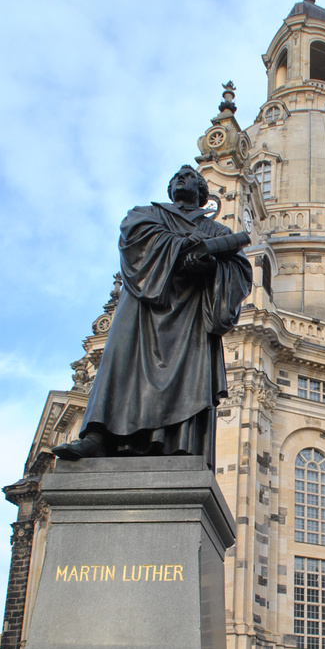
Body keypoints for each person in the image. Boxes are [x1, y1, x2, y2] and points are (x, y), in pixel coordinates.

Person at [53, 165, 252, 468]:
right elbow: (135, 240)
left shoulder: (219, 232)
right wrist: (184, 247)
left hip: (190, 316)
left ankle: (177, 446)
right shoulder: (148, 213)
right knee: (119, 362)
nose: (182, 179)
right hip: (143, 307)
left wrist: (210, 265)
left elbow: (239, 271)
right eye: (177, 178)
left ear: (202, 194)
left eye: (190, 178)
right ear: (171, 189)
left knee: (187, 378)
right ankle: (98, 436)